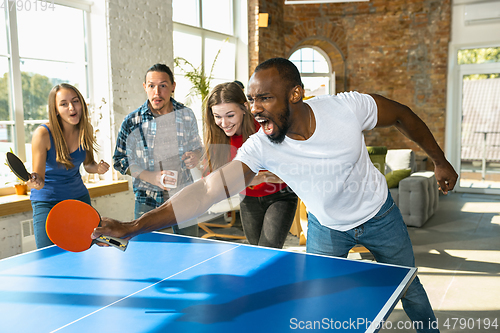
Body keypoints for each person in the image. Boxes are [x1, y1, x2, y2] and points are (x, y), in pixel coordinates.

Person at [94, 58, 458, 333]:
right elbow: (207, 190)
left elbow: (403, 116)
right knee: (321, 304)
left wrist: (440, 161)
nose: (254, 108)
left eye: (264, 98)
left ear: (295, 95)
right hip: (326, 227)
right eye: (251, 99)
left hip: (379, 216)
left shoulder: (347, 108)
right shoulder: (261, 146)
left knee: (409, 289)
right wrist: (134, 226)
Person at [203, 82, 298, 248]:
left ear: (244, 108)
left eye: (230, 115)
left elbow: (291, 169)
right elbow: (211, 179)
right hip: (248, 199)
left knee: (268, 250)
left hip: (280, 196)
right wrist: (252, 177)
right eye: (218, 117)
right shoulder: (217, 137)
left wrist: (252, 177)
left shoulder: (266, 128)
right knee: (256, 252)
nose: (224, 123)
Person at [113, 63, 202, 236]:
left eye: (163, 86)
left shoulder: (186, 115)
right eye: (152, 86)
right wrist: (152, 177)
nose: (157, 92)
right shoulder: (132, 121)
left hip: (184, 195)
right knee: (145, 251)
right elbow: (119, 160)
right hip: (147, 199)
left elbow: (197, 147)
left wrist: (196, 155)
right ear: (145, 87)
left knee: (190, 249)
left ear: (173, 87)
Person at [27, 83, 110, 249]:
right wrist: (34, 181)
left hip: (79, 200)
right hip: (48, 204)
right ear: (55, 109)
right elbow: (39, 180)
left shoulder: (86, 128)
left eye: (75, 101)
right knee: (48, 256)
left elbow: (88, 164)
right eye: (63, 104)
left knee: (90, 250)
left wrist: (98, 168)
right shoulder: (42, 134)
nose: (71, 107)